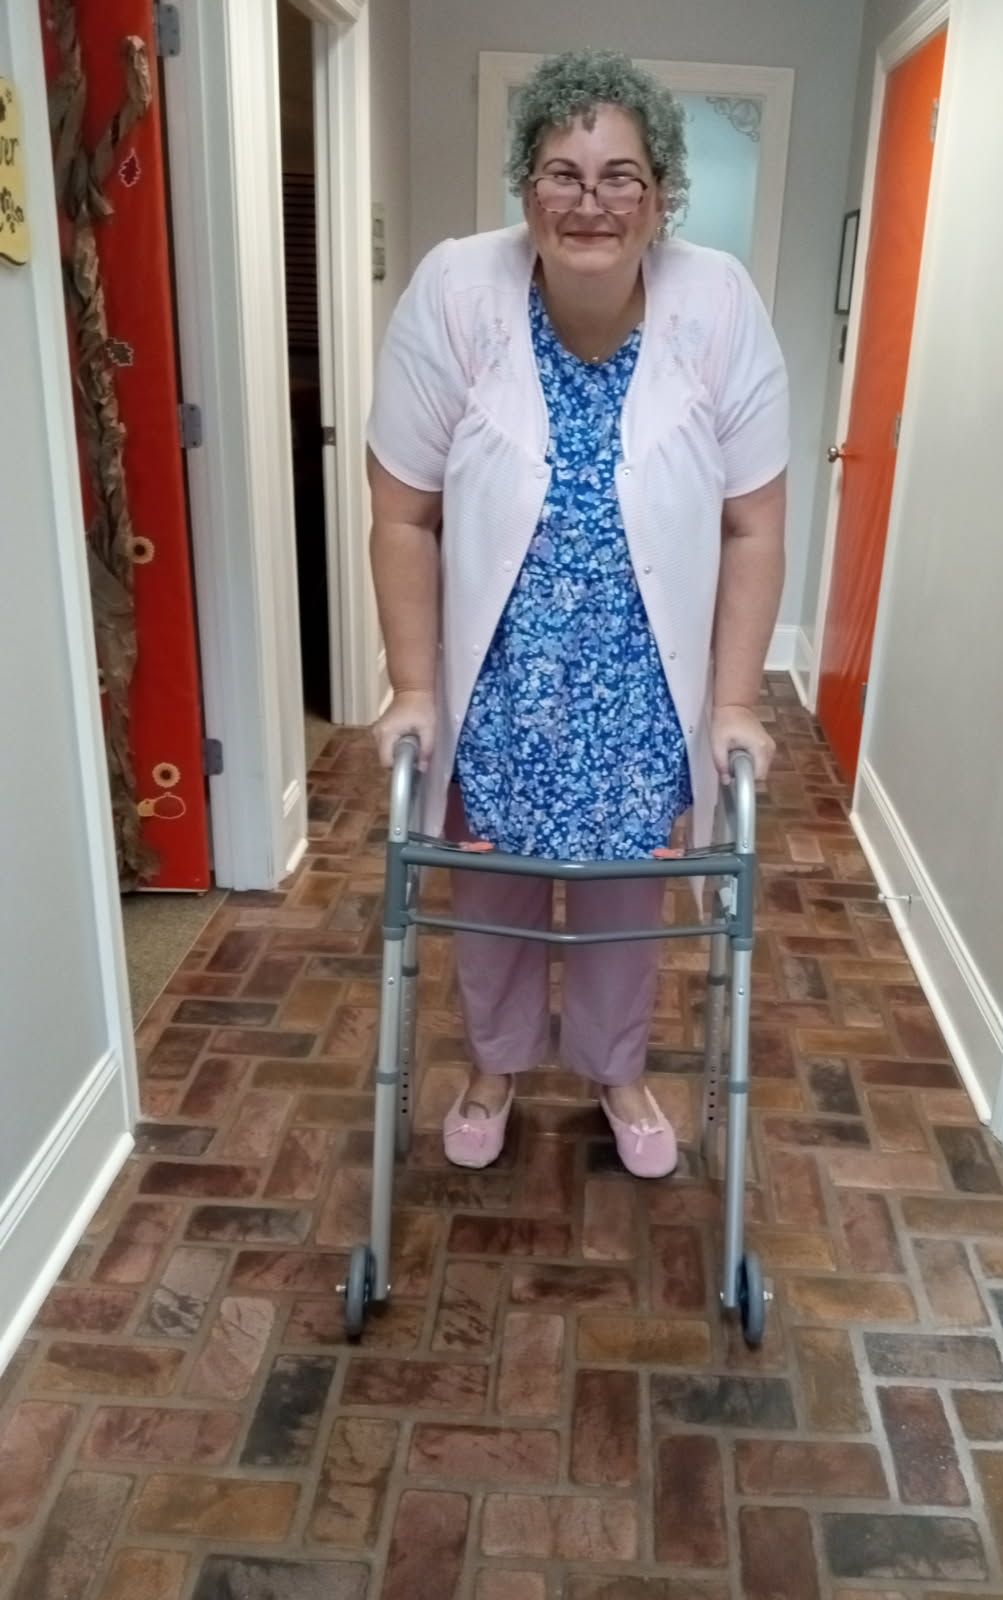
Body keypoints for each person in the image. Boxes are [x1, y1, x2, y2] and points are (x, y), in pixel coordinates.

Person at [367, 49, 788, 1179]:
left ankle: (616, 1071)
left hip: (641, 689)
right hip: (501, 684)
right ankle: (495, 1066)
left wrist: (734, 702)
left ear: (662, 196)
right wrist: (415, 687)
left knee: (623, 909)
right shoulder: (457, 293)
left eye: (620, 176)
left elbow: (754, 526)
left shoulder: (718, 305)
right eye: (562, 172)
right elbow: (402, 513)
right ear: (526, 187)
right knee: (492, 897)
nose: (590, 201)